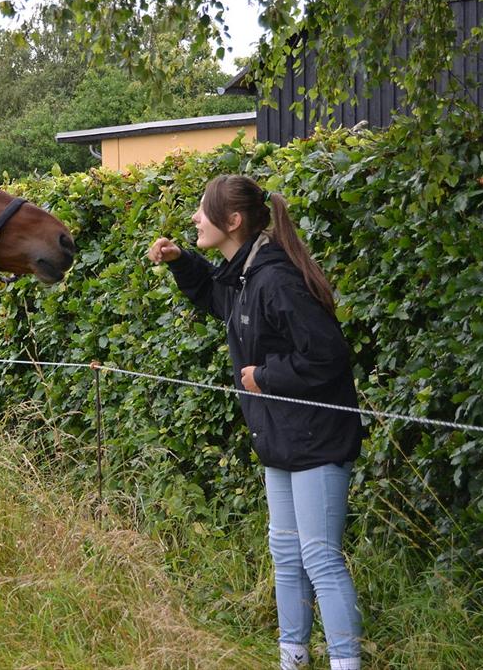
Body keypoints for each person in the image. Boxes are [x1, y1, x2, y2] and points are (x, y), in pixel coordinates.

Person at [148, 174, 364, 670]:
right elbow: (217, 301)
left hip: (317, 442)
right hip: (280, 441)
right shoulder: (246, 275)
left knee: (321, 559)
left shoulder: (276, 279)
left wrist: (265, 376)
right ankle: (293, 657)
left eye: (202, 211)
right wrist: (184, 262)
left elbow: (328, 355)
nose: (195, 219)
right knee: (285, 554)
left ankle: (345, 663)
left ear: (234, 221)